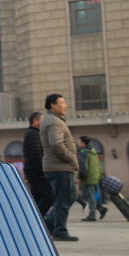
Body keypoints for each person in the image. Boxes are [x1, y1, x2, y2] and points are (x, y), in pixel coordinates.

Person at [41, 94, 78, 242]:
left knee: (70, 196)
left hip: (61, 167)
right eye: (62, 103)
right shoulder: (54, 122)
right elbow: (56, 144)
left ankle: (48, 223)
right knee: (63, 200)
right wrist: (70, 157)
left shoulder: (53, 120)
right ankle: (60, 230)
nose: (65, 106)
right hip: (60, 167)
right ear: (53, 106)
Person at [23, 112, 53, 217]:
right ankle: (37, 220)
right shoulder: (33, 134)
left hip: (33, 170)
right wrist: (42, 172)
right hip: (35, 171)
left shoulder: (34, 133)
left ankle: (32, 220)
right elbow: (36, 154)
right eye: (42, 120)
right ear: (35, 121)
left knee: (37, 198)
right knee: (49, 196)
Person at [77, 136, 107, 222]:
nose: (78, 144)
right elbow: (98, 166)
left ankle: (92, 215)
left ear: (83, 143)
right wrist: (100, 176)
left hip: (87, 177)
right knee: (87, 195)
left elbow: (82, 167)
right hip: (94, 176)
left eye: (79, 142)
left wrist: (79, 177)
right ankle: (101, 209)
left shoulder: (84, 153)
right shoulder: (93, 152)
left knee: (90, 196)